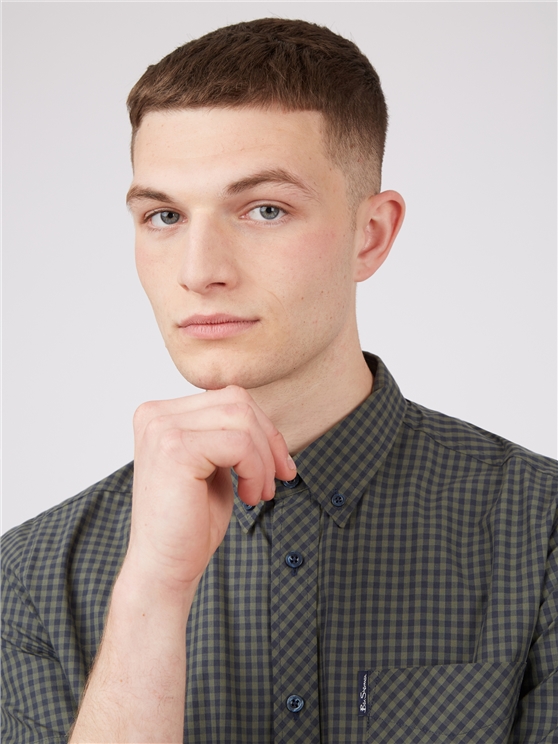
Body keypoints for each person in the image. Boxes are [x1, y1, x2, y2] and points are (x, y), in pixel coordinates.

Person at [1, 17, 556, 744]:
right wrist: (151, 596)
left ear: (371, 235)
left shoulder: (542, 533)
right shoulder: (32, 576)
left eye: (265, 209)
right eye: (164, 215)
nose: (199, 271)